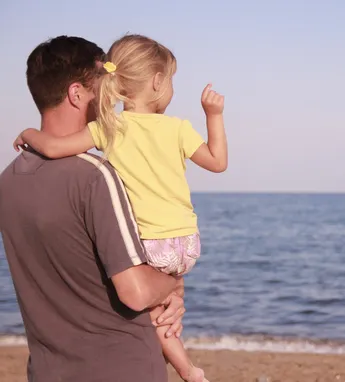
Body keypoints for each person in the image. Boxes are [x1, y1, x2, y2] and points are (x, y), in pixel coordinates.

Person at [13, 34, 228, 382]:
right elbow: (219, 163)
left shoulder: (105, 131)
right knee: (162, 309)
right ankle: (190, 369)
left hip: (147, 249)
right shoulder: (169, 133)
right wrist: (214, 114)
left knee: (155, 310)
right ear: (158, 82)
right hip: (183, 249)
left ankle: (189, 369)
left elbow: (53, 148)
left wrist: (28, 134)